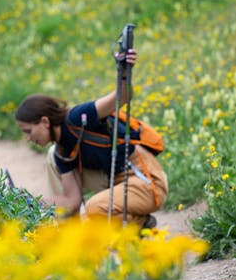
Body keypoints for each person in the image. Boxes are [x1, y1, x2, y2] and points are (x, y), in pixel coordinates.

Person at [15, 49, 168, 229]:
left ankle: (142, 223)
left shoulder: (78, 117)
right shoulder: (62, 152)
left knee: (94, 209)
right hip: (119, 182)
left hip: (147, 181)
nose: (27, 138)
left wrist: (125, 70)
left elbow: (123, 97)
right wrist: (32, 201)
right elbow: (72, 202)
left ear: (44, 121)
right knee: (91, 216)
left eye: (28, 131)